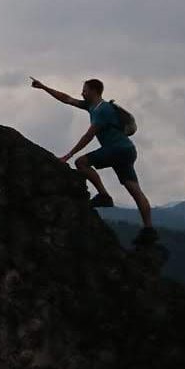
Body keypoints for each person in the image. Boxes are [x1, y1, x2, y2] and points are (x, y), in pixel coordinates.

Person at [31, 77, 157, 244]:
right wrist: (44, 87)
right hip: (127, 150)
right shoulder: (92, 107)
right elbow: (67, 99)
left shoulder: (102, 110)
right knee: (134, 189)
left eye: (84, 90)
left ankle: (104, 196)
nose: (82, 93)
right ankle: (149, 230)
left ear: (93, 91)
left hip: (117, 149)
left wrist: (68, 155)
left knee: (81, 162)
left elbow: (89, 135)